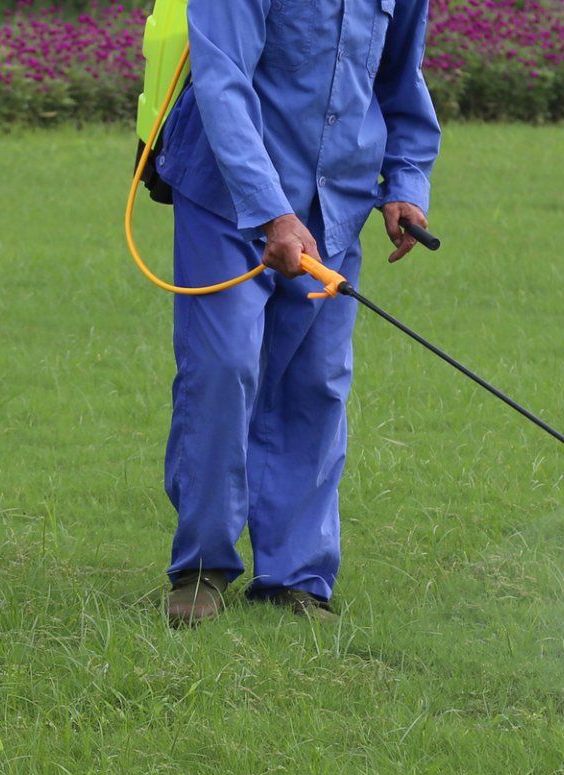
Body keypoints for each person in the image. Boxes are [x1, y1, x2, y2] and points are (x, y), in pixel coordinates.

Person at [152, 0, 441, 627]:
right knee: (223, 365)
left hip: (334, 199)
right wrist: (273, 212)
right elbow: (221, 79)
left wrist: (405, 183)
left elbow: (398, 78)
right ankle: (202, 567)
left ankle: (295, 578)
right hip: (226, 197)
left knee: (316, 383)